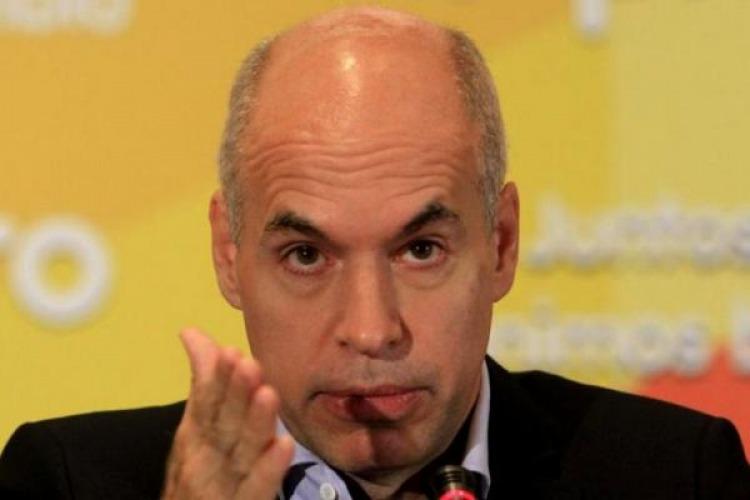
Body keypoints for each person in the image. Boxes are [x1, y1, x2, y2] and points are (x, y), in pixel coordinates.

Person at [1, 6, 749, 500]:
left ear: (501, 244)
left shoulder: (673, 477)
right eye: (306, 256)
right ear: (229, 253)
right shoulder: (66, 481)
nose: (370, 329)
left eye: (420, 249)